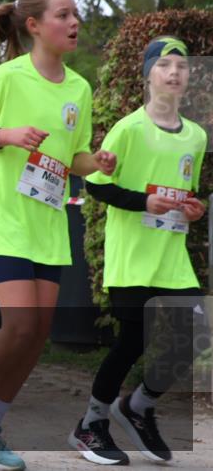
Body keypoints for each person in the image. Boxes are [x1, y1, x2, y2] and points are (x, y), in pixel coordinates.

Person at [0, 0, 116, 470]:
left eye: (77, 13)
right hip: (4, 219)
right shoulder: (7, 78)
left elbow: (72, 157)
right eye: (63, 14)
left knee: (36, 334)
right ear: (34, 25)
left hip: (48, 223)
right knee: (15, 325)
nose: (74, 22)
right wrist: (5, 135)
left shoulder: (79, 87)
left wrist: (96, 161)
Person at [69, 36, 207, 465]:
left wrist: (193, 209)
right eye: (164, 64)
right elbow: (95, 182)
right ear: (148, 73)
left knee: (197, 333)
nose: (174, 72)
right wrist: (143, 202)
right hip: (132, 256)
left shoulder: (197, 136)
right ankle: (91, 425)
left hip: (172, 258)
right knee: (131, 341)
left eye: (182, 66)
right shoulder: (128, 128)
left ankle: (139, 406)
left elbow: (188, 191)